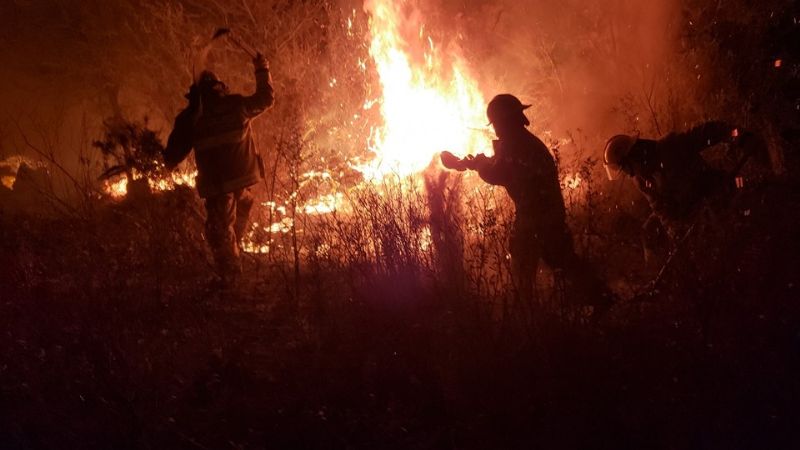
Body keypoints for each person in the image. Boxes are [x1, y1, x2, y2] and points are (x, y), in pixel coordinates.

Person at [441, 94, 613, 312]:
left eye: (496, 124)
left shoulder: (516, 146)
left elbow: (498, 172)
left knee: (525, 270)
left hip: (535, 219)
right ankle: (603, 299)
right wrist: (476, 162)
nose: (496, 129)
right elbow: (503, 165)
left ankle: (529, 320)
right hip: (548, 215)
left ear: (503, 122)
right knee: (565, 263)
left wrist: (476, 164)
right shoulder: (523, 142)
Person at [164, 53, 274, 284]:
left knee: (219, 234)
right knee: (231, 230)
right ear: (219, 86)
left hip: (220, 188)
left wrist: (163, 165)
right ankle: (234, 263)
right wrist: (262, 68)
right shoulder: (235, 104)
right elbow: (265, 99)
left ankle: (231, 281)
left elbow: (173, 155)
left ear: (196, 92)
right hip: (245, 184)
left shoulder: (193, 116)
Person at [603, 122, 743, 259]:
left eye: (625, 169)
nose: (628, 174)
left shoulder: (669, 147)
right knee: (649, 231)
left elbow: (707, 132)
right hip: (686, 210)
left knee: (720, 217)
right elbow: (660, 209)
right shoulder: (641, 180)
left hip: (709, 190)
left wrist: (736, 134)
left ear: (632, 157)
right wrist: (675, 233)